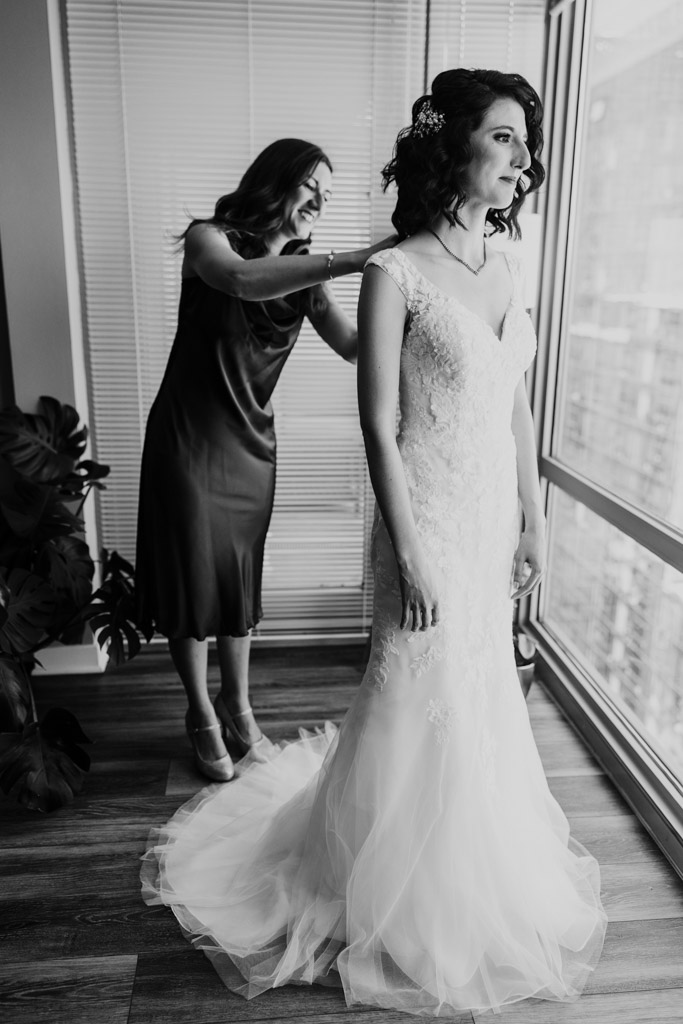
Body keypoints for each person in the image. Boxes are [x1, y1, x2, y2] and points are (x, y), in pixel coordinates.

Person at [141, 71, 607, 1016]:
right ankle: (337, 841)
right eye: (504, 137)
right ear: (454, 150)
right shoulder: (347, 263)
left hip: (482, 518)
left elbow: (510, 403)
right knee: (400, 687)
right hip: (404, 508)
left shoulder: (506, 269)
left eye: (527, 141)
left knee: (475, 688)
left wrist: (535, 518)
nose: (522, 157)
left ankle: (467, 858)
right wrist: (411, 545)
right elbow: (378, 424)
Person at [136, 138, 394, 782]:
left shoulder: (304, 269)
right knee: (195, 578)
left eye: (326, 196)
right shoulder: (210, 239)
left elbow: (355, 347)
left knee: (236, 577)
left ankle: (238, 703)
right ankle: (200, 711)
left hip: (252, 446)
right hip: (189, 437)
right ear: (275, 179)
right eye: (310, 185)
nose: (317, 202)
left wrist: (412, 303)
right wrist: (355, 259)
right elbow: (240, 282)